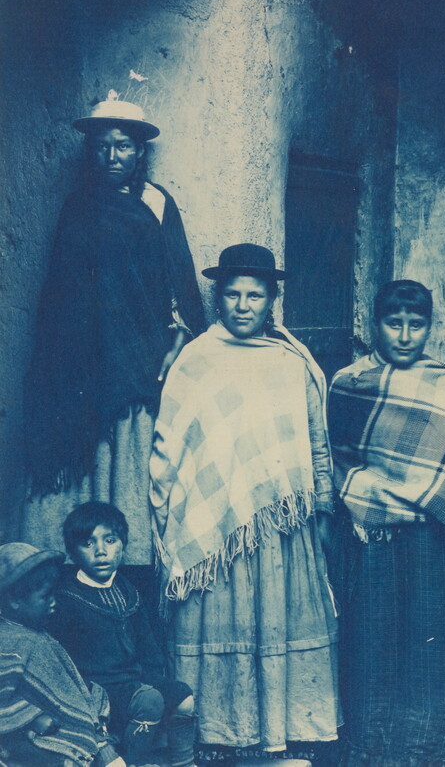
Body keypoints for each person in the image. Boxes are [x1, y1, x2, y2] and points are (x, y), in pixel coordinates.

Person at [149, 244, 340, 759]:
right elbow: (168, 442)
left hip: (282, 528)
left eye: (255, 295)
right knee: (219, 620)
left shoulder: (290, 362)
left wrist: (322, 509)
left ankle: (281, 732)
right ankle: (217, 734)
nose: (241, 305)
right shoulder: (196, 360)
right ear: (218, 298)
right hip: (214, 537)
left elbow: (315, 441)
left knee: (277, 620)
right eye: (231, 294)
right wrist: (165, 516)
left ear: (272, 300)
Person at [328, 279, 445, 767]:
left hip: (437, 548)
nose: (405, 336)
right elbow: (336, 464)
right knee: (374, 655)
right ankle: (374, 756)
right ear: (374, 326)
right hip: (373, 547)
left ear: (429, 327)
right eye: (394, 324)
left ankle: (436, 756)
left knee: (433, 658)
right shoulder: (348, 386)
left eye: (417, 325)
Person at [22, 92, 206, 563]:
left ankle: (132, 561)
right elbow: (61, 292)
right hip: (81, 362)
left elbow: (177, 278)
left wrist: (176, 337)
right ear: (91, 152)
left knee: (129, 460)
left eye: (123, 146)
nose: (112, 157)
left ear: (140, 151)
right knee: (82, 446)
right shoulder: (77, 208)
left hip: (138, 359)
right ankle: (66, 560)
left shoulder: (158, 204)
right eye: (103, 146)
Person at [49, 501, 197, 767]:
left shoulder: (128, 589)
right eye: (89, 543)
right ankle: (134, 761)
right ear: (72, 552)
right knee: (149, 701)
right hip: (95, 686)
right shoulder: (67, 597)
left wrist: (154, 678)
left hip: (132, 677)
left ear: (123, 545)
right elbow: (59, 659)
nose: (101, 552)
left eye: (110, 540)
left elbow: (147, 644)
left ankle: (183, 762)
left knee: (183, 696)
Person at [0, 542, 124, 767]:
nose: (53, 603)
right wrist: (32, 719)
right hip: (17, 738)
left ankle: (99, 748)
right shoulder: (8, 641)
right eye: (45, 597)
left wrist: (85, 700)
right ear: (13, 600)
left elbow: (67, 684)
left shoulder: (40, 636)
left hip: (56, 727)